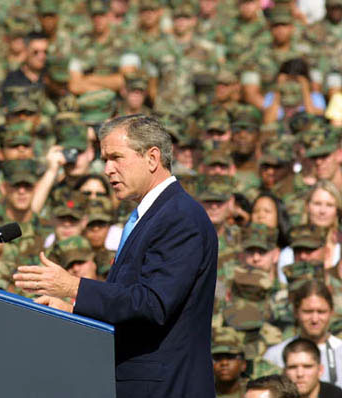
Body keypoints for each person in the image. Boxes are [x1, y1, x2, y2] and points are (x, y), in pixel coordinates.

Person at [14, 114, 218, 397]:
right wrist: (73, 311)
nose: (108, 169)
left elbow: (153, 304)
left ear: (152, 157)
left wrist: (73, 287)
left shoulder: (178, 217)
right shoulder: (151, 215)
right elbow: (129, 302)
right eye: (104, 160)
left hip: (165, 388)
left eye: (116, 158)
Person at [263, 280, 342, 387]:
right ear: (296, 312)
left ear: (331, 312)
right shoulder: (275, 356)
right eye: (308, 312)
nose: (315, 319)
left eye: (321, 312)